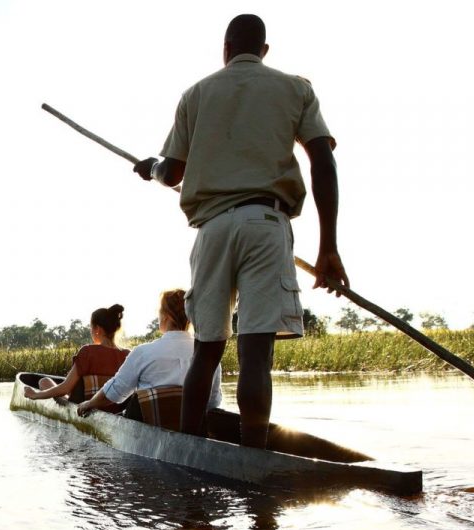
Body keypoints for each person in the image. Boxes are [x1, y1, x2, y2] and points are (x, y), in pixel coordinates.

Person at [131, 14, 348, 448]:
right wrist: (328, 248)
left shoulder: (196, 94)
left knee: (206, 351)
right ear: (263, 51)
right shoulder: (296, 88)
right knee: (255, 355)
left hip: (212, 229)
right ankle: (253, 459)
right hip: (267, 224)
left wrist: (150, 168)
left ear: (225, 49)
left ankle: (188, 453)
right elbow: (322, 162)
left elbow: (171, 171)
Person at [77, 289, 221, 418]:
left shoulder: (143, 352)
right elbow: (213, 402)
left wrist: (89, 403)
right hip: (193, 429)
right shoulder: (207, 355)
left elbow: (115, 391)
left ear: (166, 317)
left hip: (151, 429)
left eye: (159, 312)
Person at [24, 304, 128, 405]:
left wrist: (35, 395)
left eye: (91, 327)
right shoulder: (128, 354)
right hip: (116, 408)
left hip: (83, 408)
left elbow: (65, 388)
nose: (90, 331)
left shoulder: (88, 351)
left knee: (44, 381)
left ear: (98, 330)